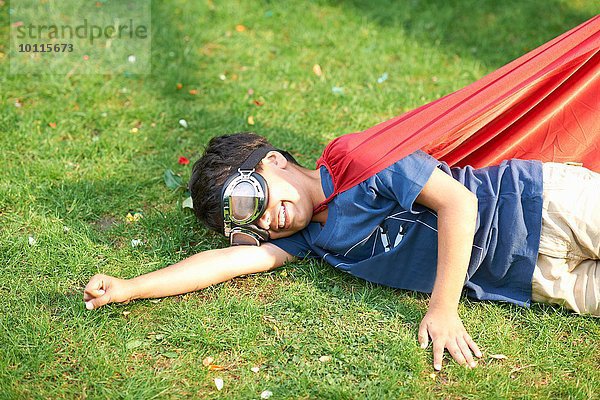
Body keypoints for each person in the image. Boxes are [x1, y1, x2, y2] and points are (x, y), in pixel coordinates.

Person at [83, 132, 600, 371]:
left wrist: (442, 310)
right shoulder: (310, 239)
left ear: (274, 162)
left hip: (540, 204)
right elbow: (223, 263)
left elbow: (460, 204)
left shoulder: (358, 160)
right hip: (525, 279)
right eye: (246, 224)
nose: (264, 220)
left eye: (250, 199)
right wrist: (132, 287)